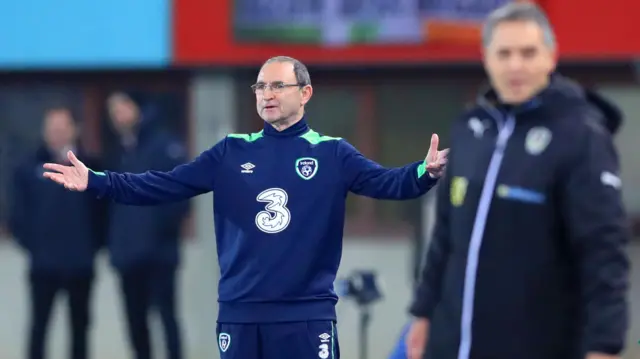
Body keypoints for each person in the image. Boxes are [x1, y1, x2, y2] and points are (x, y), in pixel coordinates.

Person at [42, 56, 449, 359]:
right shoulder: (230, 152)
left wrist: (424, 171)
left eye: (277, 86)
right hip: (241, 313)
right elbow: (163, 185)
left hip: (305, 316)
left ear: (305, 93)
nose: (267, 95)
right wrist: (96, 180)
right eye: (260, 87)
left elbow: (390, 184)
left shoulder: (333, 154)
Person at [405, 3, 629, 359]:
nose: (515, 65)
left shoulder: (580, 137)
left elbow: (602, 251)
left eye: (528, 53)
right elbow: (445, 234)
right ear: (486, 57)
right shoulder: (469, 129)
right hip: (451, 345)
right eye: (504, 53)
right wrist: (422, 312)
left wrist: (604, 345)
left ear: (551, 57)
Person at [10, 107, 104, 359]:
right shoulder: (29, 168)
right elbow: (17, 215)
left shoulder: (92, 168)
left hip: (81, 264)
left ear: (74, 130)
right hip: (43, 265)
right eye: (52, 129)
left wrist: (92, 246)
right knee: (39, 327)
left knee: (80, 329)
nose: (57, 133)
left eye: (62, 128)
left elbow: (104, 213)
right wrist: (35, 246)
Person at [103, 92, 189, 359]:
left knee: (166, 317)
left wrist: (156, 232)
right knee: (135, 322)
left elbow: (180, 195)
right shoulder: (117, 151)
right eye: (112, 111)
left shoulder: (164, 145)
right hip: (127, 255)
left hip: (159, 253)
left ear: (137, 107)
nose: (117, 116)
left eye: (122, 107)